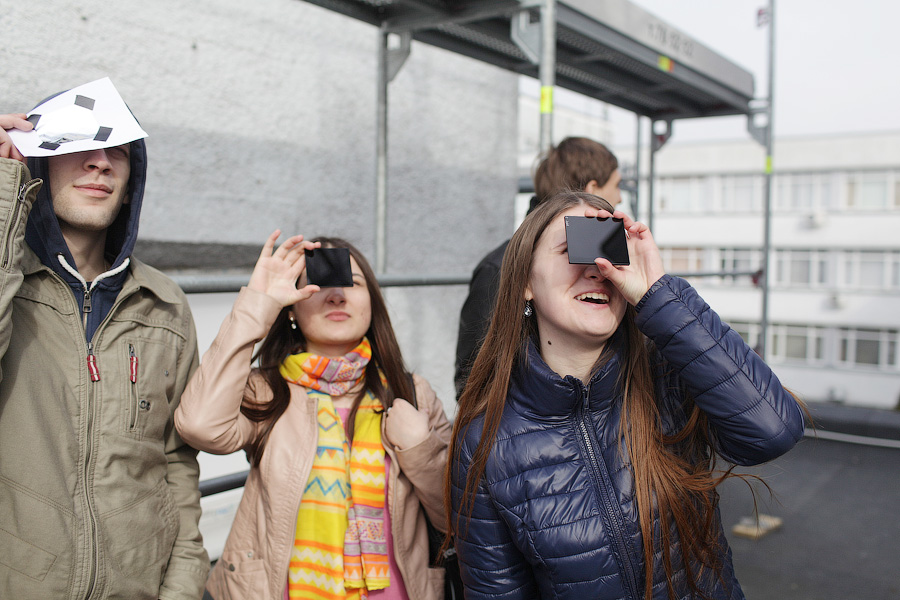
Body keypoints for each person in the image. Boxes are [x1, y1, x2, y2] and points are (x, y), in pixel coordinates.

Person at [446, 191, 805, 600]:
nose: (598, 269)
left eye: (610, 252)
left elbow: (773, 430)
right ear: (526, 282)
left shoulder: (667, 378)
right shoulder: (485, 442)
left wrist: (659, 294)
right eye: (573, 249)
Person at [0, 97, 208, 596]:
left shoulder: (162, 303)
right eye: (81, 144)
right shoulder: (13, 285)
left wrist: (181, 588)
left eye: (121, 150)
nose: (101, 161)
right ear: (37, 158)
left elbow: (176, 462)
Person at [175, 233, 451, 600]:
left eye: (351, 283)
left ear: (372, 301)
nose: (336, 295)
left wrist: (420, 448)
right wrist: (258, 306)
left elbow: (457, 520)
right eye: (316, 285)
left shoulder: (412, 393)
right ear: (290, 306)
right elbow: (199, 425)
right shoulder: (267, 391)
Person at [454, 136, 622, 397]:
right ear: (592, 189)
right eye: (617, 185)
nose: (620, 197)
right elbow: (471, 378)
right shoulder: (497, 268)